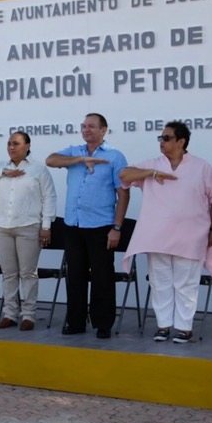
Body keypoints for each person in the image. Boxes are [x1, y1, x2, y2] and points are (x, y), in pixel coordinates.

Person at [120, 121, 212, 344]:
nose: (162, 142)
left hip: (190, 234)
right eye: (160, 138)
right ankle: (163, 326)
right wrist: (152, 173)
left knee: (186, 282)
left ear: (181, 141)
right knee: (160, 281)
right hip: (157, 234)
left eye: (167, 138)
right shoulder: (153, 164)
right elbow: (124, 174)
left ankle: (184, 327)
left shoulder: (201, 166)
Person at [46, 113, 129, 339]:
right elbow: (50, 160)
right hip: (73, 224)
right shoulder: (74, 151)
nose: (86, 130)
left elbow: (123, 194)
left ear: (104, 130)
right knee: (75, 275)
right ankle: (76, 321)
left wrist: (117, 227)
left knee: (102, 277)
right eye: (83, 126)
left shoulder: (114, 156)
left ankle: (103, 323)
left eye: (91, 126)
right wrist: (80, 161)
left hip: (101, 225)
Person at [0, 131, 56, 330]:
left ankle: (28, 315)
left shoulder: (38, 169)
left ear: (27, 146)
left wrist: (46, 226)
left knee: (28, 273)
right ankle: (10, 313)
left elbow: (49, 198)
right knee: (9, 273)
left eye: (16, 143)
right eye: (9, 143)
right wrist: (3, 173)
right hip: (3, 227)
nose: (11, 147)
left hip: (28, 226)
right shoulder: (0, 167)